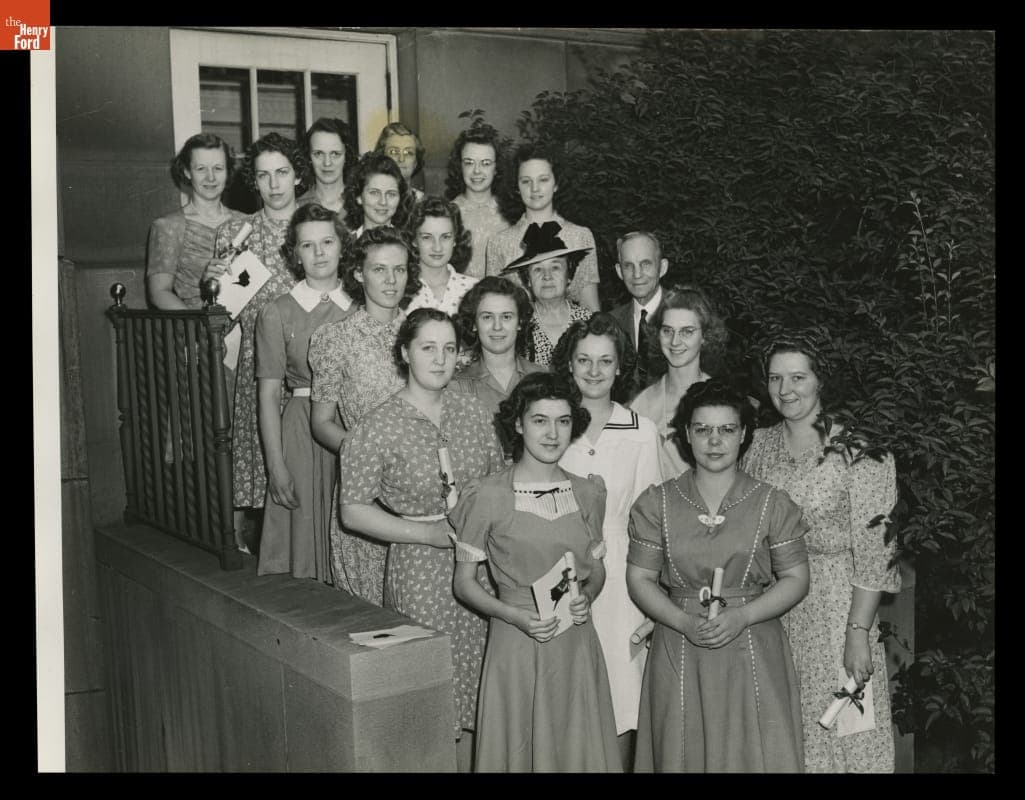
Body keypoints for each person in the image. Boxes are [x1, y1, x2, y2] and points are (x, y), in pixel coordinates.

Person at [340, 308, 505, 771]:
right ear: (404, 353)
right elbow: (353, 509)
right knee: (435, 690)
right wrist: (428, 534)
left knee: (480, 690)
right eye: (428, 347)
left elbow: (497, 478)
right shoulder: (377, 425)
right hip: (421, 572)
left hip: (482, 565)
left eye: (449, 348)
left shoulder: (472, 408)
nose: (440, 359)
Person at [627, 379, 810, 772]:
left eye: (726, 430)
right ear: (686, 435)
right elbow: (640, 579)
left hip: (752, 642)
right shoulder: (656, 503)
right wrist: (682, 621)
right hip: (679, 642)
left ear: (743, 434)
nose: (715, 441)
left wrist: (743, 615)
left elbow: (796, 577)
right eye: (703, 429)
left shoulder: (771, 503)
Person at [742, 334, 901, 773]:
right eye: (775, 378)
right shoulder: (757, 445)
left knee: (849, 730)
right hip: (774, 608)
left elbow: (874, 551)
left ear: (820, 380)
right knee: (788, 736)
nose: (785, 389)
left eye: (798, 377)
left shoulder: (860, 450)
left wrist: (857, 632)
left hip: (837, 610)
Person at [450, 372, 622, 772]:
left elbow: (596, 571)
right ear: (518, 424)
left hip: (576, 644)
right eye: (540, 420)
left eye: (563, 421)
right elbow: (464, 583)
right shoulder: (487, 495)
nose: (552, 433)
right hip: (517, 641)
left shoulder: (588, 492)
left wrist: (588, 596)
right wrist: (514, 615)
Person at [550, 314, 661, 766]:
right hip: (558, 568)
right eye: (583, 360)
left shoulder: (641, 430)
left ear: (620, 368)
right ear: (569, 365)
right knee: (564, 691)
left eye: (605, 361)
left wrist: (652, 600)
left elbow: (652, 521)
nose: (594, 371)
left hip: (622, 578)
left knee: (621, 692)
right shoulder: (552, 424)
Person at [204, 132, 310, 542]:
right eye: (264, 175)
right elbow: (224, 312)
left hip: (310, 357)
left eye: (282, 172)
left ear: (297, 175)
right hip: (257, 358)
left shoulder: (317, 224)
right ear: (254, 181)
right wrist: (211, 286)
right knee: (260, 449)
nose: (274, 184)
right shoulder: (236, 232)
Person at [308, 226, 419, 604]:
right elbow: (321, 422)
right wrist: (365, 454)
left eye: (400, 270)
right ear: (358, 273)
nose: (391, 280)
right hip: (364, 493)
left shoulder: (424, 333)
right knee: (372, 619)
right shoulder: (335, 339)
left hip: (420, 492)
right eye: (379, 270)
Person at [254, 203, 355, 581]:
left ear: (342, 245)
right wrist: (275, 465)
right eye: (307, 245)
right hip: (300, 432)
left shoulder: (361, 305)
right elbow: (267, 397)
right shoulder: (277, 312)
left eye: (327, 241)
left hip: (352, 422)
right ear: (295, 253)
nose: (319, 253)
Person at [485, 144, 601, 312]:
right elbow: (493, 306)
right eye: (526, 181)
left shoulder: (581, 236)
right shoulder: (499, 243)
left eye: (543, 180)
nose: (535, 189)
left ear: (556, 184)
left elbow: (590, 307)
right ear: (516, 187)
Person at [630, 284, 726, 480]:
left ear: (705, 336)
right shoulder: (640, 407)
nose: (675, 342)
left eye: (687, 331)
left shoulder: (723, 401)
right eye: (667, 331)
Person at [146, 133, 243, 310]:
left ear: (228, 171)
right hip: (197, 330)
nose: (211, 177)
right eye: (201, 169)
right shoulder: (168, 226)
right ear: (186, 171)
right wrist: (199, 325)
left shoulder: (245, 223)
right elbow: (159, 293)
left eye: (218, 168)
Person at [450, 276, 546, 418]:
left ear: (520, 322)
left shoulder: (542, 378)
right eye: (487, 317)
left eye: (506, 317)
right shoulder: (457, 386)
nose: (497, 327)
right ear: (474, 324)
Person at [500, 221, 592, 366]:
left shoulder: (589, 322)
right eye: (537, 269)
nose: (547, 276)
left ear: (569, 276)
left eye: (555, 267)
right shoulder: (517, 325)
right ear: (528, 280)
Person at [609, 231, 669, 394]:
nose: (637, 274)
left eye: (646, 264)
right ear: (619, 272)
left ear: (662, 268)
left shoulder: (685, 314)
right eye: (628, 266)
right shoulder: (612, 323)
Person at [445, 124, 508, 279]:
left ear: (496, 168)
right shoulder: (447, 213)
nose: (477, 171)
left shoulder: (510, 213)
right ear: (460, 166)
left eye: (485, 163)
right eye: (469, 162)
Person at [403, 196, 478, 315]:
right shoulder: (401, 289)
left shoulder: (474, 289)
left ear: (455, 239)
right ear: (414, 240)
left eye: (445, 237)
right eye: (427, 237)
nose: (437, 247)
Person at [342, 152, 411, 237]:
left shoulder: (408, 248)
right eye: (374, 193)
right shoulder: (346, 247)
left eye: (391, 194)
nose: (383, 202)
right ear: (358, 196)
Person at [297, 117, 357, 213]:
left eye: (335, 154)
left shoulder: (362, 204)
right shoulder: (297, 208)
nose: (327, 163)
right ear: (309, 157)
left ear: (347, 156)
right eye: (318, 154)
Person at [375, 121, 426, 202]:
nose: (401, 159)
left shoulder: (423, 204)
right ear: (381, 157)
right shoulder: (373, 202)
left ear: (416, 162)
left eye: (408, 153)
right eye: (394, 152)